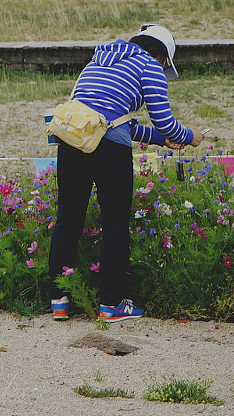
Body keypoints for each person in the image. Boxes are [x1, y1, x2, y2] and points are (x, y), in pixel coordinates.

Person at [47, 23, 204, 322]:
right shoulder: (150, 65)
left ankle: (59, 299)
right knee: (115, 224)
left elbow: (117, 121)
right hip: (110, 152)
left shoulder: (98, 59)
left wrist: (162, 140)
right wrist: (186, 136)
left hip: (72, 142)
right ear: (164, 58)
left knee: (68, 219)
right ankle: (111, 304)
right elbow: (164, 121)